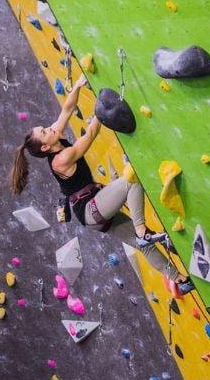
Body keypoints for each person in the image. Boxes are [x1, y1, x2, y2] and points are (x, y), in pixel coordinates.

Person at [10, 74, 194, 295]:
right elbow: (92, 134)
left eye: (46, 127)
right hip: (90, 210)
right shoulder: (61, 159)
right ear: (45, 148)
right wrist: (102, 107)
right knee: (131, 179)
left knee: (140, 245)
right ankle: (142, 229)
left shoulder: (55, 137)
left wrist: (78, 85)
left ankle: (181, 280)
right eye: (45, 132)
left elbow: (67, 109)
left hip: (92, 208)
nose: (50, 128)